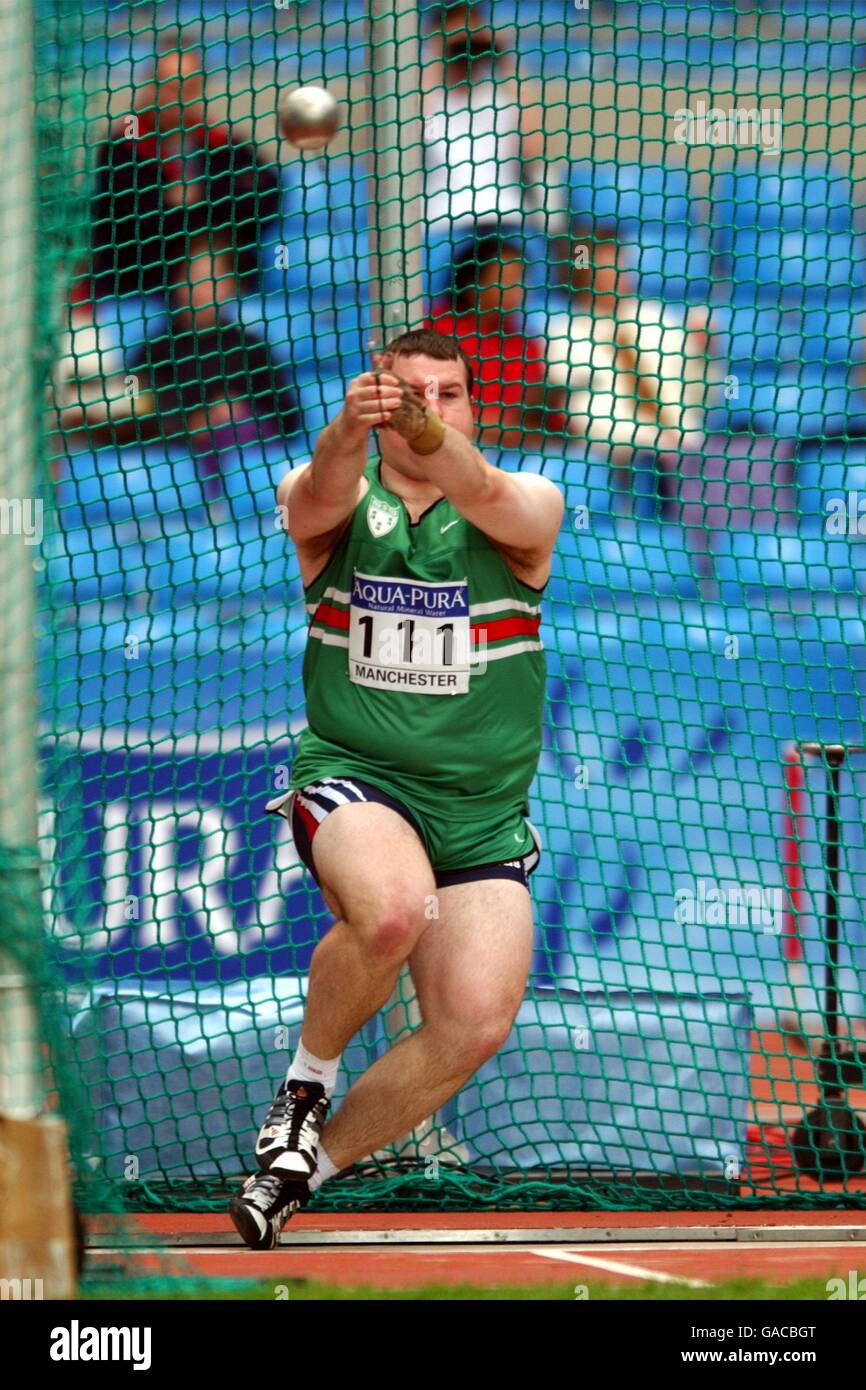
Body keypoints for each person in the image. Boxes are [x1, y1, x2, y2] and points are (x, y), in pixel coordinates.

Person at [227, 327, 564, 1248]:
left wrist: (421, 427)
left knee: (475, 1021)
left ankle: (302, 1170)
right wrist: (345, 429)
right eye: (407, 394)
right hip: (357, 778)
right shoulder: (334, 502)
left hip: (482, 813)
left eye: (447, 394)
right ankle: (302, 1091)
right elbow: (315, 496)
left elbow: (484, 487)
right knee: (390, 912)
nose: (427, 408)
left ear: (473, 406)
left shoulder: (526, 507)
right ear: (372, 411)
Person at [543, 219, 723, 502]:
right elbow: (581, 417)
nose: (617, 272)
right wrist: (650, 441)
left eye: (619, 263)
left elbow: (702, 397)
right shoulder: (564, 338)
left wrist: (705, 355)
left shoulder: (656, 319)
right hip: (623, 461)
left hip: (687, 453)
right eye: (605, 265)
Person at [421, 4, 545, 283]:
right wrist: (438, 49)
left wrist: (505, 58)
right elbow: (418, 129)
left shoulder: (500, 99)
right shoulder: (431, 99)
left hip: (506, 218)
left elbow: (535, 149)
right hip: (444, 223)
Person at [425, 235, 556, 450]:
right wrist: (483, 424)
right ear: (473, 283)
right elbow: (424, 400)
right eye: (507, 279)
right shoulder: (435, 330)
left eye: (520, 280)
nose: (517, 290)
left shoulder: (524, 346)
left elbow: (534, 419)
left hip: (511, 453)